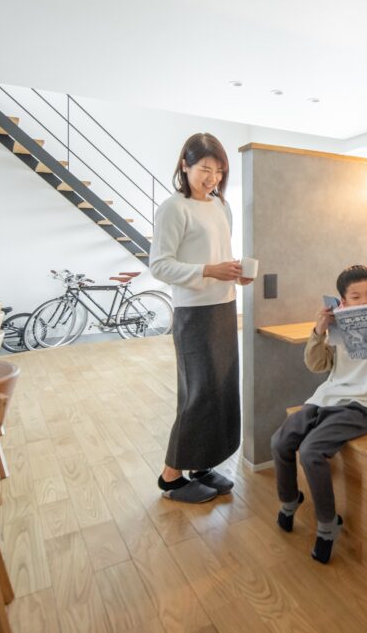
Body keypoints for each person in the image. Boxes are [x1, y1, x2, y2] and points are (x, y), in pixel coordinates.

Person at [271, 265, 367, 563]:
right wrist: (318, 331)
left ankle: (327, 525)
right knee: (280, 440)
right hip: (326, 398)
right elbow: (317, 365)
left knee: (311, 451)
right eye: (355, 297)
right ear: (343, 302)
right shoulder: (337, 330)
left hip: (364, 404)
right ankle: (289, 500)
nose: (364, 301)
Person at [150, 133, 253, 503]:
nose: (213, 178)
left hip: (224, 307)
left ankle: (201, 464)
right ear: (185, 165)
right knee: (199, 394)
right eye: (205, 169)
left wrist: (235, 273)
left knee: (221, 391)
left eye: (219, 171)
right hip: (193, 313)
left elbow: (217, 254)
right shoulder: (173, 208)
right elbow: (159, 265)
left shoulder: (221, 206)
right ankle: (171, 478)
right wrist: (209, 270)